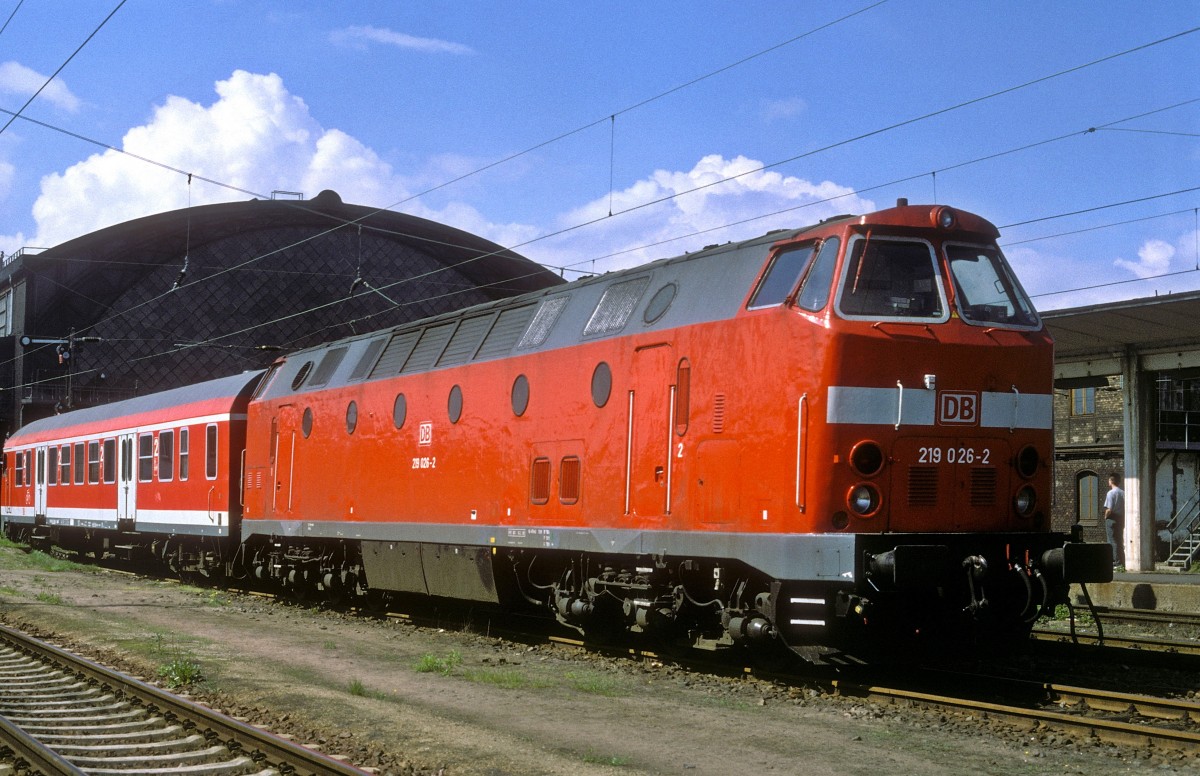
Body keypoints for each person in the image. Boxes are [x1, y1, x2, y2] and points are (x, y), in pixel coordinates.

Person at [1104, 473, 1125, 568]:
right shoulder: (1123, 493)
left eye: (1109, 480)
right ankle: (1121, 560)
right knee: (1120, 539)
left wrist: (1105, 517)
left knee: (1112, 540)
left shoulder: (1110, 493)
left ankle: (1116, 561)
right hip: (1121, 518)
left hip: (1112, 518)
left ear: (1111, 481)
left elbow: (1109, 509)